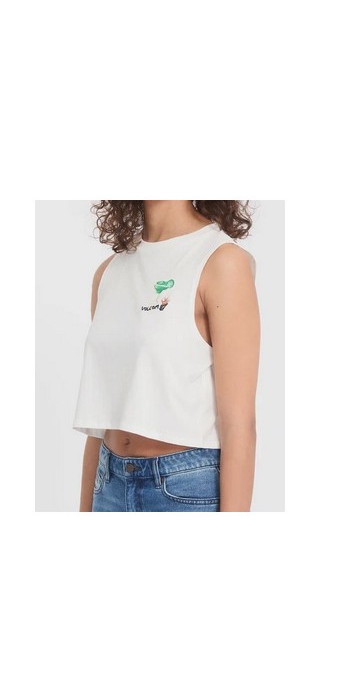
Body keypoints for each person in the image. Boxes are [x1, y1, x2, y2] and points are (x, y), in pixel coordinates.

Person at [72, 200, 260, 512]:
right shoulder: (109, 273)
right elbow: (102, 416)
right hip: (108, 483)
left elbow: (240, 425)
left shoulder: (222, 261)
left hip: (185, 489)